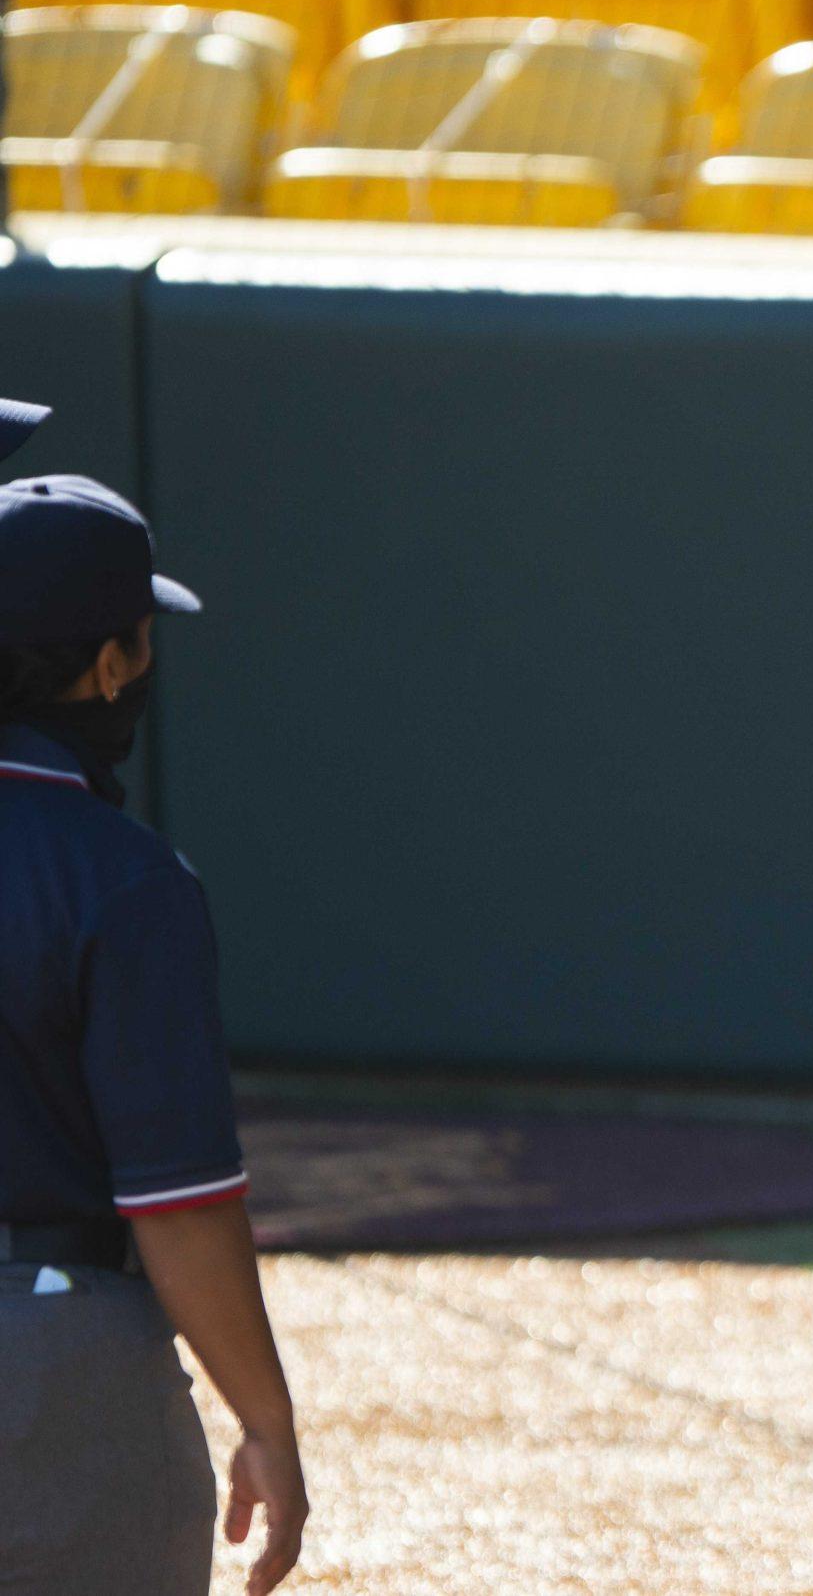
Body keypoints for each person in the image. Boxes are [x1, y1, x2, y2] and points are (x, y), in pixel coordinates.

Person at [0, 415, 307, 1596]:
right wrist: (266, 1419)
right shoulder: (123, 879)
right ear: (114, 662)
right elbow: (177, 1203)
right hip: (54, 1379)